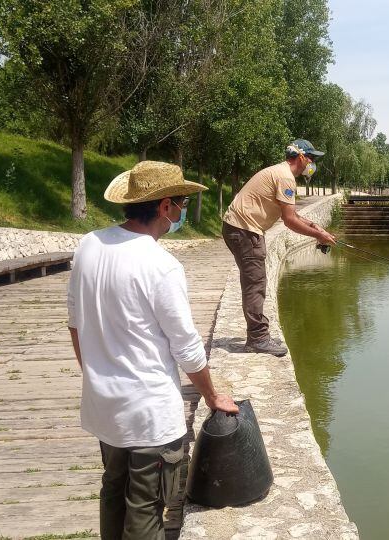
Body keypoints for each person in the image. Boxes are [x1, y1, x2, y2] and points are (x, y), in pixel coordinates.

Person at [67, 160, 239, 539]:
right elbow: (188, 349)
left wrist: (97, 377)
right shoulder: (161, 265)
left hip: (104, 410)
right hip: (149, 419)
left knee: (112, 496)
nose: (179, 213)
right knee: (148, 512)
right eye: (179, 204)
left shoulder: (88, 245)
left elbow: (75, 326)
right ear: (164, 207)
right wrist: (212, 396)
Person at [222, 139, 336, 356]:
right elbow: (290, 221)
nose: (312, 163)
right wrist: (319, 235)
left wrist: (316, 228)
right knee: (255, 282)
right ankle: (257, 338)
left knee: (255, 280)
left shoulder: (281, 173)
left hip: (239, 228)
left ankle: (258, 335)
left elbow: (292, 214)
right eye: (311, 158)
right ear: (300, 157)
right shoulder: (285, 177)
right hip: (245, 230)